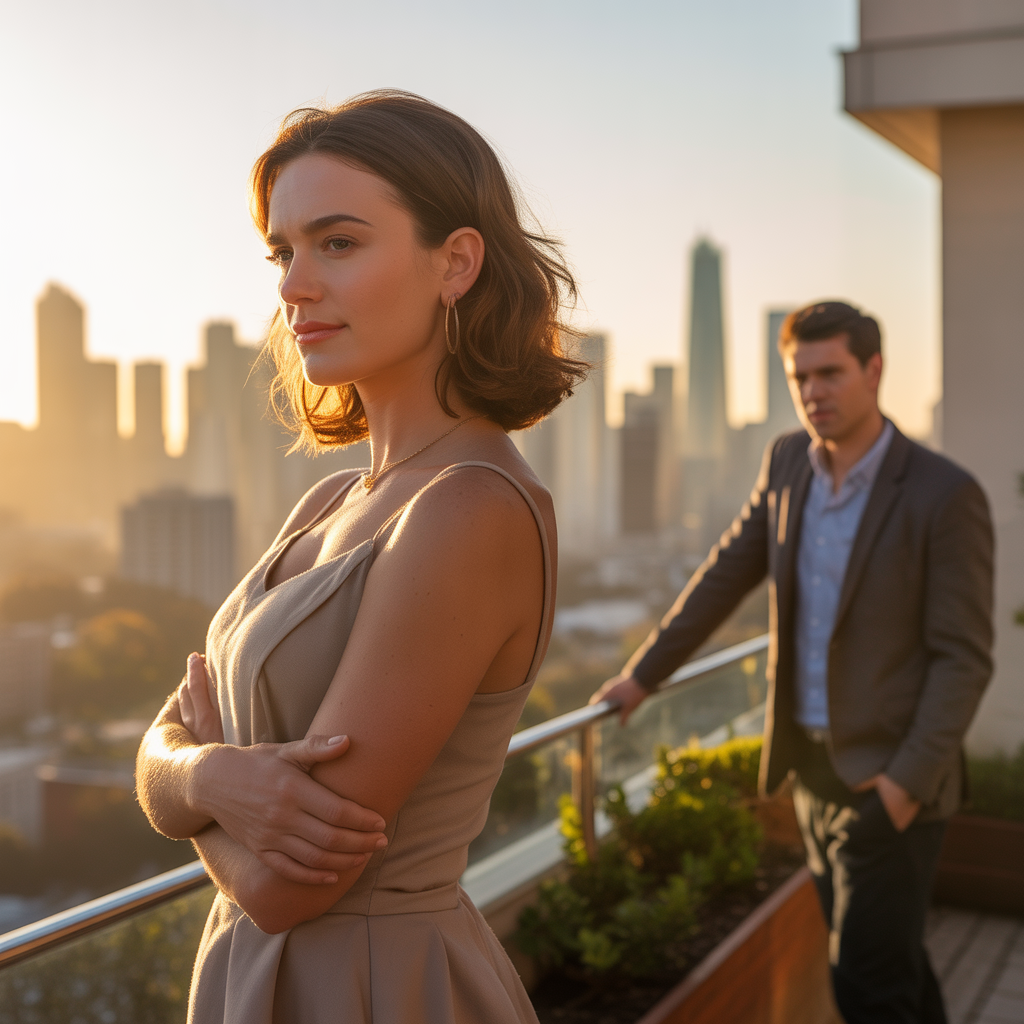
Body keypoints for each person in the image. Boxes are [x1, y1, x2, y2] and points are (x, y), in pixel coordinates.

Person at [135, 90, 586, 1024]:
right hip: (261, 977)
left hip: (376, 988)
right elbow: (165, 745)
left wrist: (191, 779)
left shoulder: (470, 509)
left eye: (337, 243)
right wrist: (206, 777)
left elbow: (284, 889)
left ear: (456, 263)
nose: (293, 286)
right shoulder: (332, 498)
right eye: (283, 252)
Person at [591, 301, 993, 1024]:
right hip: (810, 769)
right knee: (887, 962)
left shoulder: (943, 494)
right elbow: (724, 575)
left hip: (891, 779)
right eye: (799, 377)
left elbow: (962, 659)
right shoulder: (787, 463)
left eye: (830, 373)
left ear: (874, 370)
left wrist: (902, 789)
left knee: (865, 984)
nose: (813, 392)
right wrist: (643, 675)